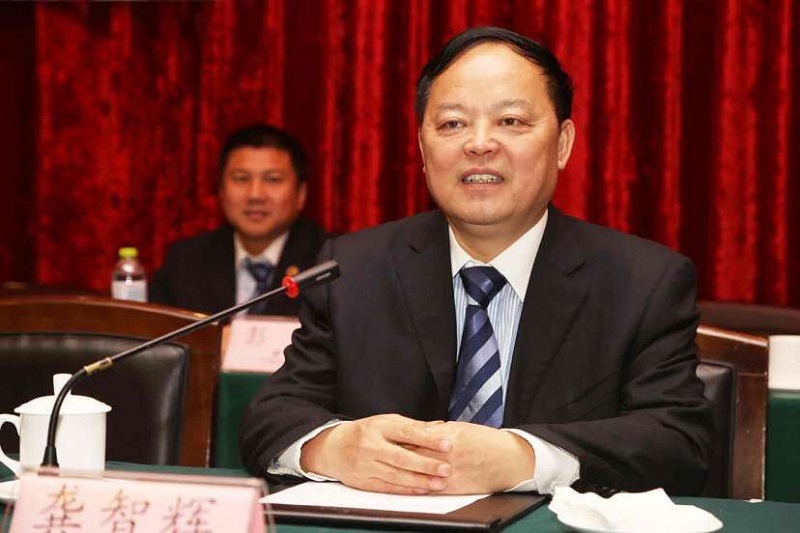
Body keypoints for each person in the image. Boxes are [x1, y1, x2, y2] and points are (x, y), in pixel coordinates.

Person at [240, 27, 711, 496]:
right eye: (452, 124)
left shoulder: (642, 281)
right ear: (422, 149)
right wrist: (334, 447)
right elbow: (271, 417)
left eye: (511, 121)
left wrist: (524, 458)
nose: (480, 144)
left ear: (563, 144)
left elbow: (678, 443)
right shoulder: (354, 269)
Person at [150, 124, 327, 316]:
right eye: (241, 179)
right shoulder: (185, 262)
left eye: (272, 179)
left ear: (301, 194)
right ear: (220, 190)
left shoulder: (328, 263)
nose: (255, 195)